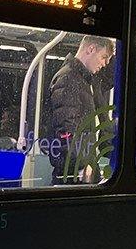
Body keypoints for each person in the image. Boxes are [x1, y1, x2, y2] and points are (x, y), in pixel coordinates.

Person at [47, 35, 115, 184]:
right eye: (103, 57)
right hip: (73, 172)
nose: (104, 64)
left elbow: (112, 76)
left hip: (87, 164)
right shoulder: (67, 79)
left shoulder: (89, 81)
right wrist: (80, 165)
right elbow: (66, 128)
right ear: (91, 49)